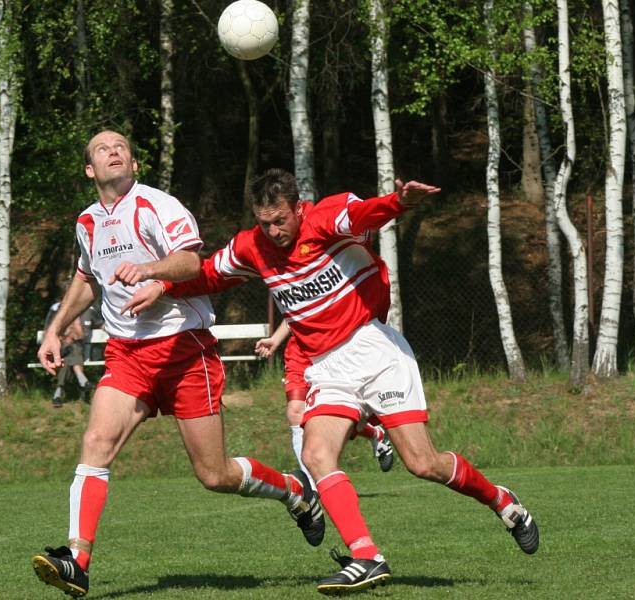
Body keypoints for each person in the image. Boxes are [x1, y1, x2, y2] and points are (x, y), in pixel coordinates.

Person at [123, 168, 539, 595]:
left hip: (373, 350)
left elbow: (364, 216)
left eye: (280, 220)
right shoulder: (252, 245)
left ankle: (501, 501)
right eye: (264, 222)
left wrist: (401, 203)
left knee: (423, 464)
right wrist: (164, 286)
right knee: (317, 455)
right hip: (325, 365)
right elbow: (210, 274)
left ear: (297, 207)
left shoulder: (326, 217)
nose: (273, 231)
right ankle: (366, 556)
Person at [31, 133, 324, 597]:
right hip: (127, 354)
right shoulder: (87, 222)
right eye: (103, 148)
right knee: (96, 441)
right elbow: (88, 278)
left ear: (132, 160)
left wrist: (149, 271)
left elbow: (191, 262)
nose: (114, 150)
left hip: (184, 351)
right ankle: (77, 560)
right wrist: (55, 328)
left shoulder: (157, 205)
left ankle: (294, 491)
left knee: (215, 475)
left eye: (122, 145)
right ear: (90, 169)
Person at [255, 319, 394, 483]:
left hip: (334, 350)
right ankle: (313, 485)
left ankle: (375, 434)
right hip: (300, 352)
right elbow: (294, 310)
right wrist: (276, 339)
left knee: (342, 415)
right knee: (295, 411)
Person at [44, 302, 94, 407]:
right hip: (61, 349)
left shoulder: (81, 314)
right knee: (72, 351)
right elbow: (49, 333)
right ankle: (82, 380)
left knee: (68, 358)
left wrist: (74, 333)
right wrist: (64, 338)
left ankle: (57, 393)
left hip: (74, 350)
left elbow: (81, 335)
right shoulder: (56, 311)